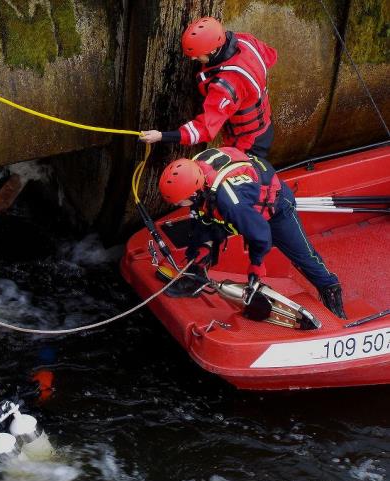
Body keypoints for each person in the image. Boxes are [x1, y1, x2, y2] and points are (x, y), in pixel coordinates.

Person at [158, 146, 346, 319]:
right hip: (235, 201)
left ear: (193, 194)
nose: (176, 206)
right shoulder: (197, 173)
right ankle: (196, 278)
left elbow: (261, 235)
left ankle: (330, 289)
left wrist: (256, 266)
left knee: (303, 256)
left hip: (276, 208)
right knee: (201, 232)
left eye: (179, 202)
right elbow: (204, 221)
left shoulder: (231, 203)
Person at [140, 17, 277, 158]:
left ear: (212, 51)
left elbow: (205, 128)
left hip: (247, 143)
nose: (193, 59)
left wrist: (162, 136)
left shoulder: (226, 86)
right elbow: (271, 56)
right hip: (265, 125)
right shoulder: (245, 41)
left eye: (197, 55)